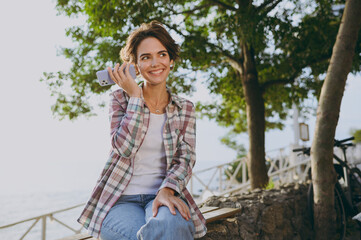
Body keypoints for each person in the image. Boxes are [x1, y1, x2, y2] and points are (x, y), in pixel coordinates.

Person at [77, 21, 207, 240]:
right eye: (146, 57)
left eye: (162, 54)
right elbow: (124, 148)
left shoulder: (185, 108)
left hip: (164, 194)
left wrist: (167, 189)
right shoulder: (119, 99)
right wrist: (136, 98)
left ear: (171, 60)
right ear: (135, 66)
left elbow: (185, 158)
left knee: (173, 227)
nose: (155, 63)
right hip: (120, 200)